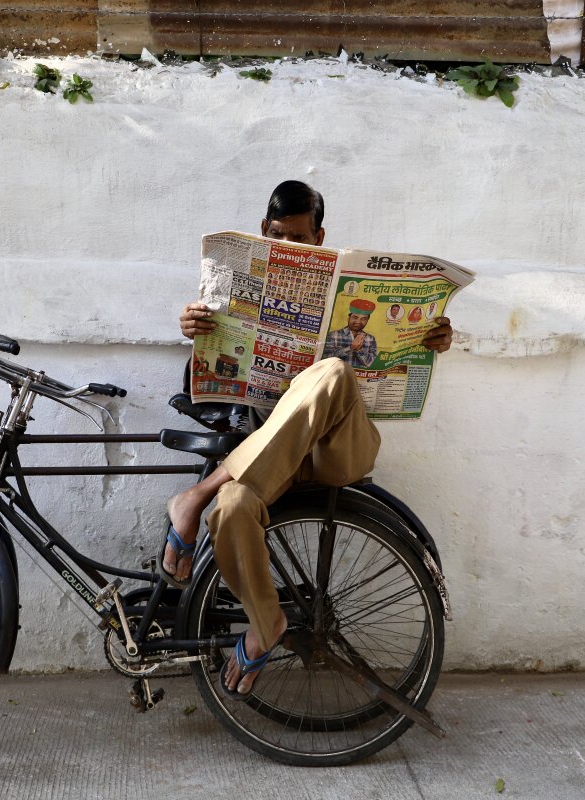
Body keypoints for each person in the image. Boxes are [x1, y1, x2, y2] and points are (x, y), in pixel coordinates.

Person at [169, 180, 454, 698]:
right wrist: (196, 333)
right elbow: (204, 384)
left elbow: (392, 355)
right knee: (230, 508)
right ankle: (266, 624)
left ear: (319, 238)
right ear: (264, 230)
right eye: (278, 235)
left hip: (336, 451)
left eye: (299, 238)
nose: (288, 244)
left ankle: (198, 493)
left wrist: (431, 336)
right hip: (269, 462)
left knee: (333, 372)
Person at [324, 299, 379, 367]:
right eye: (355, 317)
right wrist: (350, 348)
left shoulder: (370, 339)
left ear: (367, 321)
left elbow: (372, 364)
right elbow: (325, 359)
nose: (358, 322)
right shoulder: (333, 335)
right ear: (348, 318)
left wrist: (359, 350)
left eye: (363, 319)